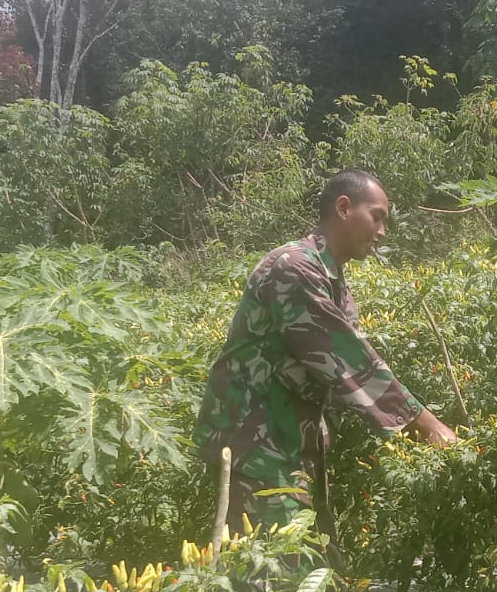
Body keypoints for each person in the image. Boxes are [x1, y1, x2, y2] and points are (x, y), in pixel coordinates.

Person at [194, 169, 457, 547]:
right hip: (258, 449)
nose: (382, 231)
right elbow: (346, 360)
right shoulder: (293, 268)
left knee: (306, 575)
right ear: (344, 207)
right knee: (272, 583)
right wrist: (428, 426)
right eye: (378, 216)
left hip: (289, 449)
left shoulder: (330, 276)